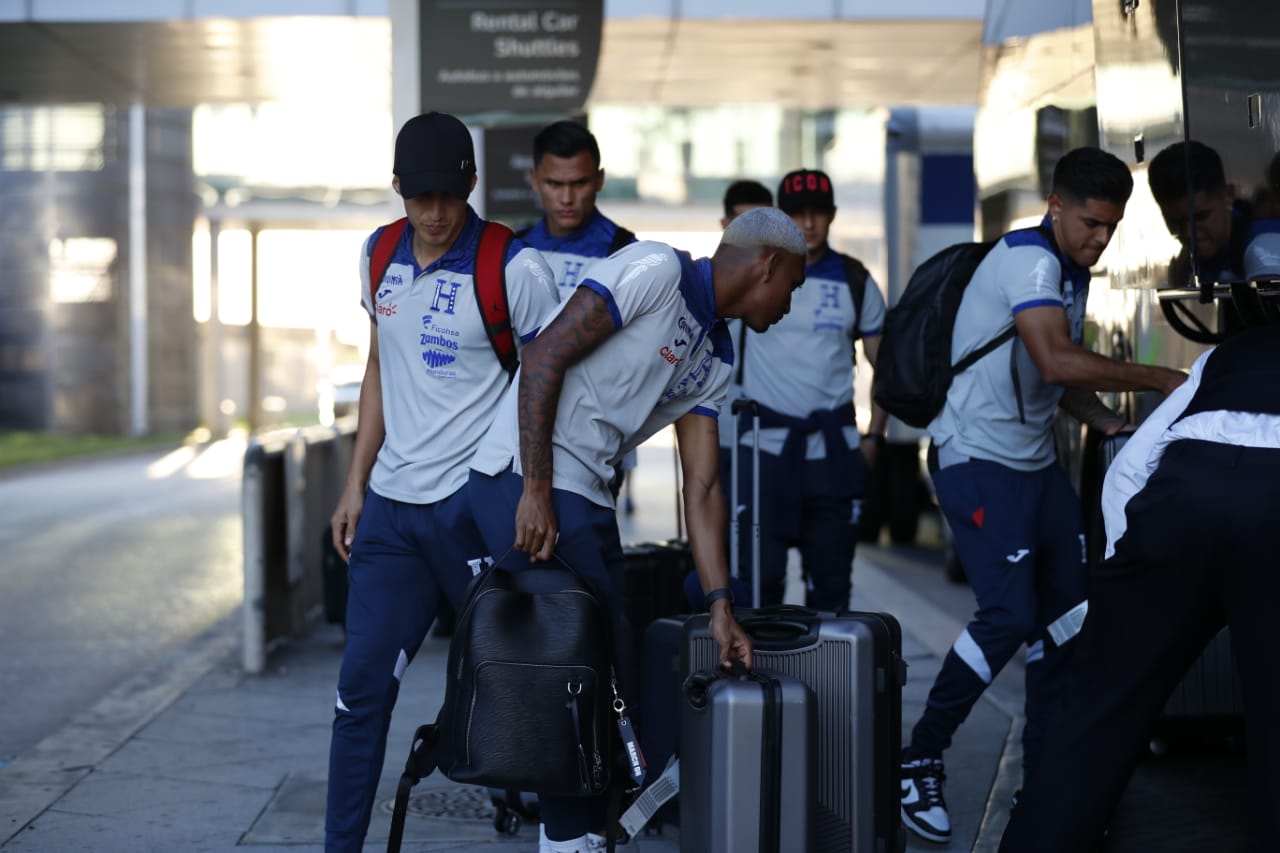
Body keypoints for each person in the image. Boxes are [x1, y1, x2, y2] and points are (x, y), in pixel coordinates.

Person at [468, 207, 808, 853]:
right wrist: (535, 489)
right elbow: (544, 355)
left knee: (603, 682)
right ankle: (571, 839)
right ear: (766, 264)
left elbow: (702, 487)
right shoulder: (656, 269)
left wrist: (719, 605)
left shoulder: (715, 357)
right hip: (528, 478)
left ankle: (579, 835)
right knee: (574, 688)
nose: (789, 305)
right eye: (791, 285)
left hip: (585, 493)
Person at [898, 146, 1187, 845]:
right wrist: (1163, 379)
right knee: (1009, 615)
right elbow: (1055, 356)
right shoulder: (1028, 261)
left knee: (1071, 622)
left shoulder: (1067, 270)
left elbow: (1051, 381)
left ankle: (1049, 778)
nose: (1099, 239)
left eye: (1111, 227)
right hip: (977, 463)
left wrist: (1108, 420)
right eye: (1090, 223)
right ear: (1055, 206)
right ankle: (919, 756)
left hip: (1033, 469)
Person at [324, 111, 560, 853]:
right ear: (397, 189)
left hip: (476, 508)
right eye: (418, 196)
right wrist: (354, 481)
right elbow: (377, 368)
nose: (434, 213)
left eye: (448, 197)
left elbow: (549, 383)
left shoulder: (513, 268)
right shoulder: (376, 256)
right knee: (359, 695)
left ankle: (570, 836)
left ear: (472, 186)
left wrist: (537, 488)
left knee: (526, 689)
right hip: (392, 514)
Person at [999, 322, 1278, 853]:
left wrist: (1119, 591)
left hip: (1182, 496)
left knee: (1097, 719)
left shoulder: (1224, 355)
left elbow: (1130, 468)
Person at [725, 168, 888, 611]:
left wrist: (875, 436)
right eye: (798, 213)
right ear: (781, 216)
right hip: (764, 453)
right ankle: (759, 681)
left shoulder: (855, 279)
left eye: (819, 213)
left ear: (833, 216)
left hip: (832, 454)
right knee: (759, 587)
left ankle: (829, 681)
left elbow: (885, 364)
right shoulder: (751, 272)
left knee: (831, 592)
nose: (809, 223)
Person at [517, 119, 641, 509]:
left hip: (593, 441)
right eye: (555, 184)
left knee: (582, 556)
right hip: (516, 436)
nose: (567, 197)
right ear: (535, 179)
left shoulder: (625, 252)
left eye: (580, 183)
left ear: (600, 179)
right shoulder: (515, 250)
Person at [1148, 139, 1280, 284]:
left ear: (1228, 195)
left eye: (1200, 217)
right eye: (1174, 221)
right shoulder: (1190, 261)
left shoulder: (1265, 247)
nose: (1188, 232)